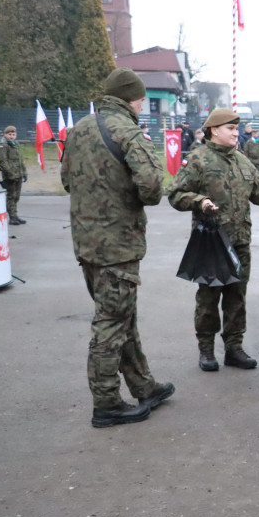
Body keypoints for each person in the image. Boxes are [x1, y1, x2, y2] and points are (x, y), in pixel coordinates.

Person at [60, 67, 174, 427]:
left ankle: (144, 385)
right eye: (141, 100)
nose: (142, 106)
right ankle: (107, 403)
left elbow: (66, 180)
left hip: (87, 242)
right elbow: (153, 188)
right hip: (118, 247)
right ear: (131, 99)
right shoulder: (127, 132)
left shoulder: (79, 130)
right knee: (111, 322)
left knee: (122, 316)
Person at [169, 108, 259, 372]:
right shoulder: (199, 159)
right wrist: (199, 201)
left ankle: (234, 348)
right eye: (231, 129)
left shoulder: (242, 160)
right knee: (208, 297)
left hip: (240, 241)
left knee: (237, 296)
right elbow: (175, 193)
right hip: (212, 241)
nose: (236, 133)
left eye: (237, 129)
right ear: (214, 130)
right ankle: (206, 350)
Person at [0, 126, 27, 225]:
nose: (11, 137)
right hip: (10, 176)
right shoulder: (3, 146)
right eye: (9, 134)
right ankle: (12, 217)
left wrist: (24, 172)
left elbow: (20, 160)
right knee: (11, 196)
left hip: (18, 174)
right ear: (5, 135)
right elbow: (3, 162)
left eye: (13, 134)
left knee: (16, 196)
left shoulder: (16, 144)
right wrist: (10, 173)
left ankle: (15, 215)